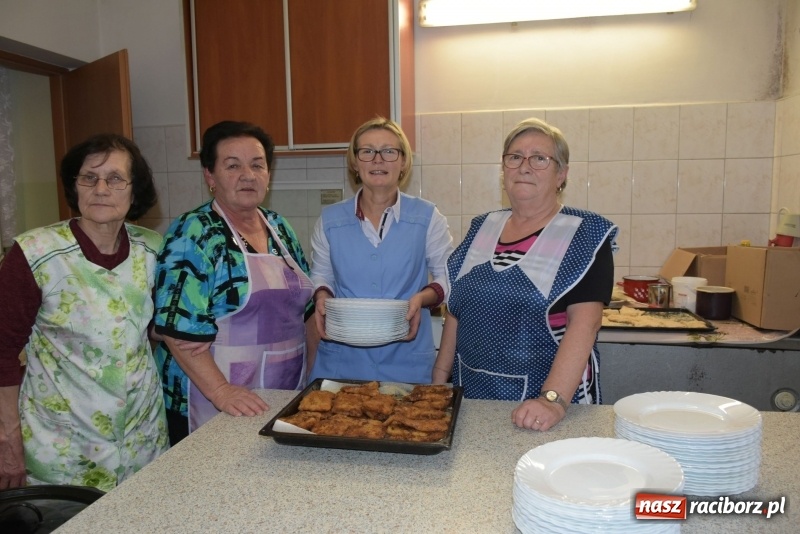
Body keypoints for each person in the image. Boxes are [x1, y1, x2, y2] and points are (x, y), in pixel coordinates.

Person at [0, 133, 167, 490]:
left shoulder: (153, 249)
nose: (101, 189)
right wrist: (8, 437)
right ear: (74, 187)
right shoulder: (35, 253)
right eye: (88, 178)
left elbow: (160, 328)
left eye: (115, 178)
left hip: (142, 439)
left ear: (134, 190)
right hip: (62, 446)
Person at [433, 118, 618, 431]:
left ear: (562, 174)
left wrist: (552, 400)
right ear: (504, 170)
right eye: (514, 157)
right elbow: (456, 309)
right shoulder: (482, 227)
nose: (524, 166)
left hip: (549, 407)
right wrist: (438, 381)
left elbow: (586, 324)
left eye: (540, 158)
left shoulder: (585, 234)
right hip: (471, 398)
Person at [153, 120, 317, 445]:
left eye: (257, 165)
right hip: (211, 400)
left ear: (268, 175)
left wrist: (312, 379)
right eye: (233, 165)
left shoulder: (279, 227)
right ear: (210, 176)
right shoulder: (195, 231)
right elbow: (176, 326)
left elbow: (307, 311)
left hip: (282, 391)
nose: (248, 174)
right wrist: (221, 391)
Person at [309, 117, 454, 384]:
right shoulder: (330, 220)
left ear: (403, 162)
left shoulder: (428, 217)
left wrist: (421, 299)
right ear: (355, 162)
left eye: (389, 151)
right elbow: (321, 275)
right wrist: (321, 296)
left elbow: (448, 277)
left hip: (406, 361)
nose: (378, 160)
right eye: (367, 151)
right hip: (342, 363)